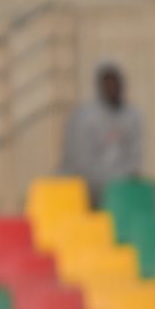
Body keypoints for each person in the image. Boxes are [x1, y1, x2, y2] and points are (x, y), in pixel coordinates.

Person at [59, 63, 144, 204]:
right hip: (90, 182)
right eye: (108, 83)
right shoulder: (84, 117)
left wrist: (123, 177)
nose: (113, 88)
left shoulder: (132, 115)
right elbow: (80, 161)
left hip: (121, 184)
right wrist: (107, 179)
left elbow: (135, 157)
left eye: (115, 83)